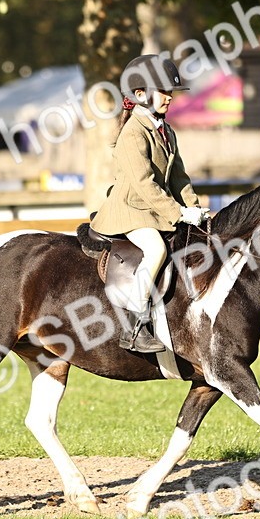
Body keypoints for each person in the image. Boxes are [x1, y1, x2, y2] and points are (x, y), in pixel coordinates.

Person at [90, 54, 207, 354]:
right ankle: (135, 325)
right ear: (140, 94)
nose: (170, 98)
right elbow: (143, 184)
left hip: (152, 209)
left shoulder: (166, 131)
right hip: (128, 211)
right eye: (164, 91)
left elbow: (179, 177)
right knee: (156, 249)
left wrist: (196, 210)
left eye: (171, 92)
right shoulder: (133, 132)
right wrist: (178, 213)